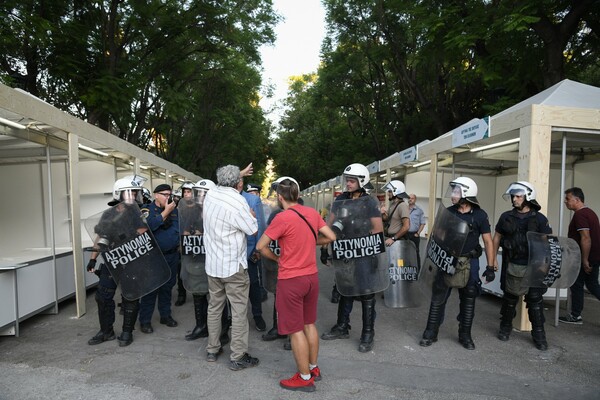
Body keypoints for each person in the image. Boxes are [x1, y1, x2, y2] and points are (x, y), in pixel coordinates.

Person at [257, 177, 336, 392]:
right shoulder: (311, 213)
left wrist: (277, 258)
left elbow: (261, 246)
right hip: (311, 277)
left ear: (280, 197)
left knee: (294, 330)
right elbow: (330, 236)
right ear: (297, 195)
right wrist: (312, 242)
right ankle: (313, 368)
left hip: (291, 280)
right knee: (309, 324)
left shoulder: (282, 218)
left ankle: (304, 377)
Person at [419, 177, 495, 350]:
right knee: (439, 296)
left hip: (469, 261)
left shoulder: (479, 215)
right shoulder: (449, 212)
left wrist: (490, 267)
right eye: (452, 191)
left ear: (466, 194)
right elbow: (437, 235)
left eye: (456, 191)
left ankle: (465, 335)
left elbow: (488, 241)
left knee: (468, 298)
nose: (452, 195)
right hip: (447, 259)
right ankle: (431, 332)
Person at [321, 163, 384, 353]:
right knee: (345, 288)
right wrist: (325, 247)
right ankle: (342, 327)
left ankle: (367, 332)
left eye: (351, 180)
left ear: (361, 181)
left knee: (366, 292)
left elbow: (378, 229)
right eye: (347, 180)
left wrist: (365, 246)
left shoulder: (370, 202)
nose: (348, 184)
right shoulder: (340, 200)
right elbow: (329, 225)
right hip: (345, 252)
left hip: (363, 253)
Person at [203, 164, 260, 371]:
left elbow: (223, 184)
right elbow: (253, 230)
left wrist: (239, 174)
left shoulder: (211, 195)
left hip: (213, 265)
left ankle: (212, 348)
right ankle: (238, 356)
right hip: (233, 267)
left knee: (214, 308)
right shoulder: (239, 201)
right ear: (240, 184)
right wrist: (252, 215)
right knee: (238, 311)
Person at [86, 175, 147, 347]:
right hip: (111, 260)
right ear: (119, 194)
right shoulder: (108, 213)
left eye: (135, 193)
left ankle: (127, 332)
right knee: (102, 296)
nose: (133, 196)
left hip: (132, 261)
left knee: (130, 297)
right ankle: (106, 331)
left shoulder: (139, 213)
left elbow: (144, 235)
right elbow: (100, 236)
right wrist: (93, 259)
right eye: (130, 193)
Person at [492, 181, 552, 350]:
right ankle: (505, 328)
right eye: (513, 196)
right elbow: (497, 237)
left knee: (535, 301)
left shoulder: (540, 219)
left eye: (518, 196)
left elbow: (548, 244)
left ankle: (539, 335)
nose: (515, 199)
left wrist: (545, 267)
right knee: (509, 299)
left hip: (534, 267)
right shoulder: (506, 217)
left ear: (528, 197)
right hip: (512, 263)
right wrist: (493, 259)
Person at [138, 184, 180, 334]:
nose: (168, 197)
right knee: (151, 289)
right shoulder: (147, 210)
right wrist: (165, 213)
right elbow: (146, 227)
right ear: (156, 195)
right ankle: (145, 321)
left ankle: (165, 315)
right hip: (154, 257)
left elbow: (178, 229)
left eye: (169, 194)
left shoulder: (175, 211)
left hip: (172, 255)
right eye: (164, 194)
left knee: (167, 287)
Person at [559, 187, 600, 325]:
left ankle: (575, 315)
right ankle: (576, 314)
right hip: (593, 256)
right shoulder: (590, 213)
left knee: (578, 284)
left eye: (568, 199)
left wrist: (584, 260)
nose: (565, 202)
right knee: (592, 285)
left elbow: (586, 238)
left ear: (577, 200)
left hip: (587, 257)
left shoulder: (580, 215)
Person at [241, 182, 267, 331]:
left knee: (253, 285)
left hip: (249, 251)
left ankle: (257, 315)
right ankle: (236, 318)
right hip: (231, 254)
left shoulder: (252, 200)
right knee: (234, 289)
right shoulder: (225, 199)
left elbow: (260, 225)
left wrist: (257, 250)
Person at [174, 181, 196, 306]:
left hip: (196, 243)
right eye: (185, 192)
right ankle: (181, 294)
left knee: (196, 269)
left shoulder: (199, 206)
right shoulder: (178, 208)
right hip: (182, 243)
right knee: (180, 270)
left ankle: (197, 293)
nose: (186, 194)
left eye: (189, 192)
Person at [380, 180, 410, 247]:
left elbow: (406, 226)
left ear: (396, 192)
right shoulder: (393, 204)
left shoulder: (402, 206)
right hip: (391, 239)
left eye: (390, 191)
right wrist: (382, 213)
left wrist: (393, 238)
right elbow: (386, 219)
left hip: (397, 241)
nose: (388, 194)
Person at [408, 194, 427, 266]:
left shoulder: (419, 210)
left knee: (415, 252)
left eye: (412, 198)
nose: (410, 199)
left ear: (415, 200)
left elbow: (423, 223)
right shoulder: (404, 209)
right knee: (404, 251)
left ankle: (417, 270)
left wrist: (418, 233)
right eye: (409, 198)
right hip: (404, 233)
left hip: (414, 234)